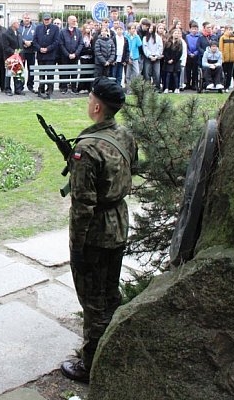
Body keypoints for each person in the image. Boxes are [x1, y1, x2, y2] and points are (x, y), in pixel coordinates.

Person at [60, 77, 135, 383]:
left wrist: (77, 248)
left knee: (92, 302)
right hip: (118, 223)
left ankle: (90, 366)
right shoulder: (125, 135)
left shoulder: (87, 149)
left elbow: (82, 206)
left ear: (96, 105)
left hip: (94, 233)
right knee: (110, 293)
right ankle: (115, 349)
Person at [33, 13, 60, 99]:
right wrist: (39, 48)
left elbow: (56, 41)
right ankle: (41, 88)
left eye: (48, 19)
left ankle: (50, 89)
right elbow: (34, 40)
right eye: (45, 19)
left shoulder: (55, 28)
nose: (46, 21)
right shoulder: (38, 28)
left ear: (51, 19)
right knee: (41, 73)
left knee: (50, 73)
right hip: (41, 55)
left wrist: (47, 49)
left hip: (50, 55)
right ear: (43, 20)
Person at [59, 15, 83, 94]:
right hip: (65, 56)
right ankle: (64, 87)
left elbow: (81, 44)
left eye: (75, 21)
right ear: (68, 21)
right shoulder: (62, 32)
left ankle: (73, 87)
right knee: (65, 72)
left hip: (75, 57)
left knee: (74, 72)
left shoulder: (78, 31)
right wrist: (67, 54)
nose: (75, 22)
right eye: (73, 21)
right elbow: (61, 44)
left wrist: (75, 54)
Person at [2, 19, 24, 96]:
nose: (18, 24)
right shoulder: (6, 34)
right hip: (10, 57)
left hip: (17, 57)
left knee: (17, 73)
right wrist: (14, 52)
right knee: (8, 74)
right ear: (13, 24)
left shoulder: (18, 32)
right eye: (17, 23)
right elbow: (5, 47)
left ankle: (18, 89)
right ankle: (7, 89)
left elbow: (20, 44)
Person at [18, 13, 37, 92]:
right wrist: (24, 42)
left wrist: (31, 43)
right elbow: (17, 36)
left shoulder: (35, 27)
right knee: (20, 70)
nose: (27, 19)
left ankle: (30, 86)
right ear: (22, 18)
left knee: (31, 70)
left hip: (31, 51)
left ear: (31, 19)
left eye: (28, 18)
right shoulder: (19, 27)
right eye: (25, 18)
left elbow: (37, 37)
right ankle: (20, 86)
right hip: (21, 51)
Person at [142, 23, 163, 91]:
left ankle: (156, 88)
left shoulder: (158, 38)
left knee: (156, 74)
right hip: (148, 58)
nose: (151, 30)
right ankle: (147, 88)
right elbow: (145, 47)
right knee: (147, 74)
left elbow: (160, 47)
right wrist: (150, 55)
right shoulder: (145, 38)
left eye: (152, 28)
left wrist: (156, 56)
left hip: (156, 58)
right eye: (150, 28)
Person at [218, 26, 234, 91]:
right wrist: (222, 58)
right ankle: (223, 85)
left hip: (232, 59)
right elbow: (221, 48)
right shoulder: (222, 38)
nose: (229, 31)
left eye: (230, 29)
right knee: (223, 73)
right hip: (225, 59)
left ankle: (227, 86)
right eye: (228, 29)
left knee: (230, 73)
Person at [163, 29, 184, 94]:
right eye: (175, 33)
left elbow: (179, 53)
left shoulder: (180, 43)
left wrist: (173, 60)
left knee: (175, 74)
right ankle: (166, 88)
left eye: (177, 33)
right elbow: (165, 52)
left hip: (176, 61)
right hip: (168, 61)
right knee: (168, 74)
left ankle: (177, 88)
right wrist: (168, 59)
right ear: (172, 34)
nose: (176, 34)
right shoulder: (168, 42)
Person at [77, 24, 95, 93]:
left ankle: (88, 87)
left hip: (90, 57)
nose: (88, 29)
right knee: (83, 72)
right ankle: (81, 87)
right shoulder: (82, 37)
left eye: (89, 28)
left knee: (89, 73)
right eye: (86, 28)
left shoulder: (91, 37)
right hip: (84, 57)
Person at [185, 21, 202, 91]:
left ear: (197, 29)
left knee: (195, 70)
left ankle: (194, 84)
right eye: (193, 29)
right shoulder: (187, 36)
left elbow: (199, 46)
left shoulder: (199, 37)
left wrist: (195, 53)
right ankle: (188, 83)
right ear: (190, 29)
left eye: (195, 29)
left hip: (196, 56)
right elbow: (186, 46)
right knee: (188, 70)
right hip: (189, 56)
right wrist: (189, 53)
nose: (194, 30)